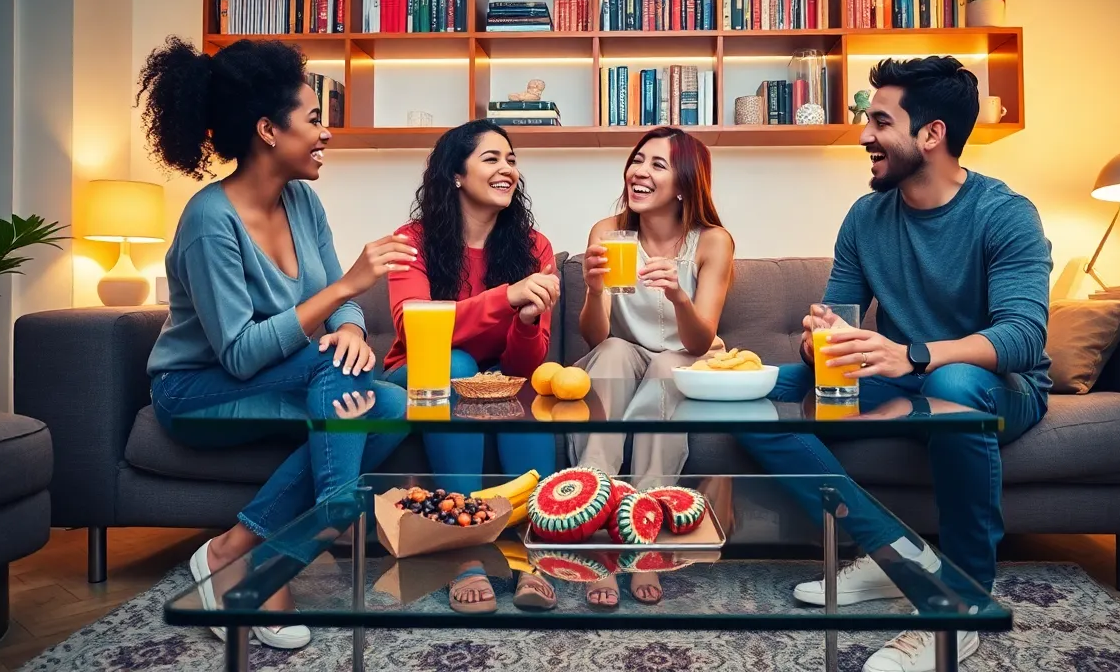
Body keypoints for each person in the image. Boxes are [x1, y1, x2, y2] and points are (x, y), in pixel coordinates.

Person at [736, 56, 1052, 672]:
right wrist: (821, 339)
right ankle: (895, 555)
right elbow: (838, 313)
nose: (863, 135)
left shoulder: (1005, 214)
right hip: (900, 380)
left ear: (931, 134)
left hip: (996, 390)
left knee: (953, 379)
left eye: (880, 121)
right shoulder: (866, 215)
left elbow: (1023, 338)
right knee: (755, 394)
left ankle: (958, 602)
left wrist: (913, 354)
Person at [139, 36, 416, 650]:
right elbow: (237, 352)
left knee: (396, 405)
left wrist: (347, 324)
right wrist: (344, 292)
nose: (327, 134)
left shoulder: (302, 200)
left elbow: (335, 296)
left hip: (274, 375)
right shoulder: (210, 222)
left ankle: (238, 549)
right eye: (314, 119)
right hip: (195, 392)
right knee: (345, 382)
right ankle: (285, 557)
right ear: (268, 129)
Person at [380, 119, 560, 612]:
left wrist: (526, 321)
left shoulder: (533, 247)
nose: (507, 169)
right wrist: (507, 297)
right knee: (455, 360)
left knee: (518, 387)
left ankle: (532, 554)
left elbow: (527, 360)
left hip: (498, 383)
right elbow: (415, 330)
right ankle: (463, 553)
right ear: (456, 174)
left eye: (511, 159)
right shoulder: (411, 240)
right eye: (491, 158)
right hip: (420, 374)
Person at [568, 126, 735, 608]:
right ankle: (594, 516)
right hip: (624, 350)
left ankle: (642, 536)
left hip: (688, 355)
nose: (639, 171)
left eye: (657, 164)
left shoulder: (712, 242)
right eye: (637, 160)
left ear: (684, 183)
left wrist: (678, 295)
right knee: (616, 353)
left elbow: (699, 339)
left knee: (667, 367)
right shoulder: (608, 233)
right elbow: (595, 338)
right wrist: (595, 290)